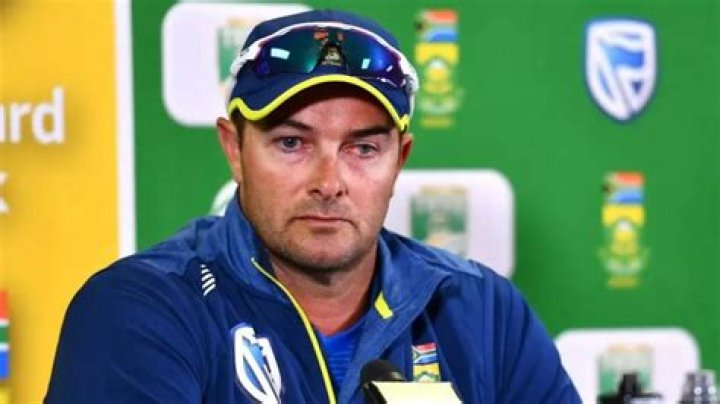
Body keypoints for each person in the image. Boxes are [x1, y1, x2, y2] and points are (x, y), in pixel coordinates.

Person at [45, 9, 580, 404]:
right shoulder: (143, 308)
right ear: (234, 149)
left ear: (399, 159)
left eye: (363, 148)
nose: (329, 183)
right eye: (292, 143)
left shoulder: (483, 311)